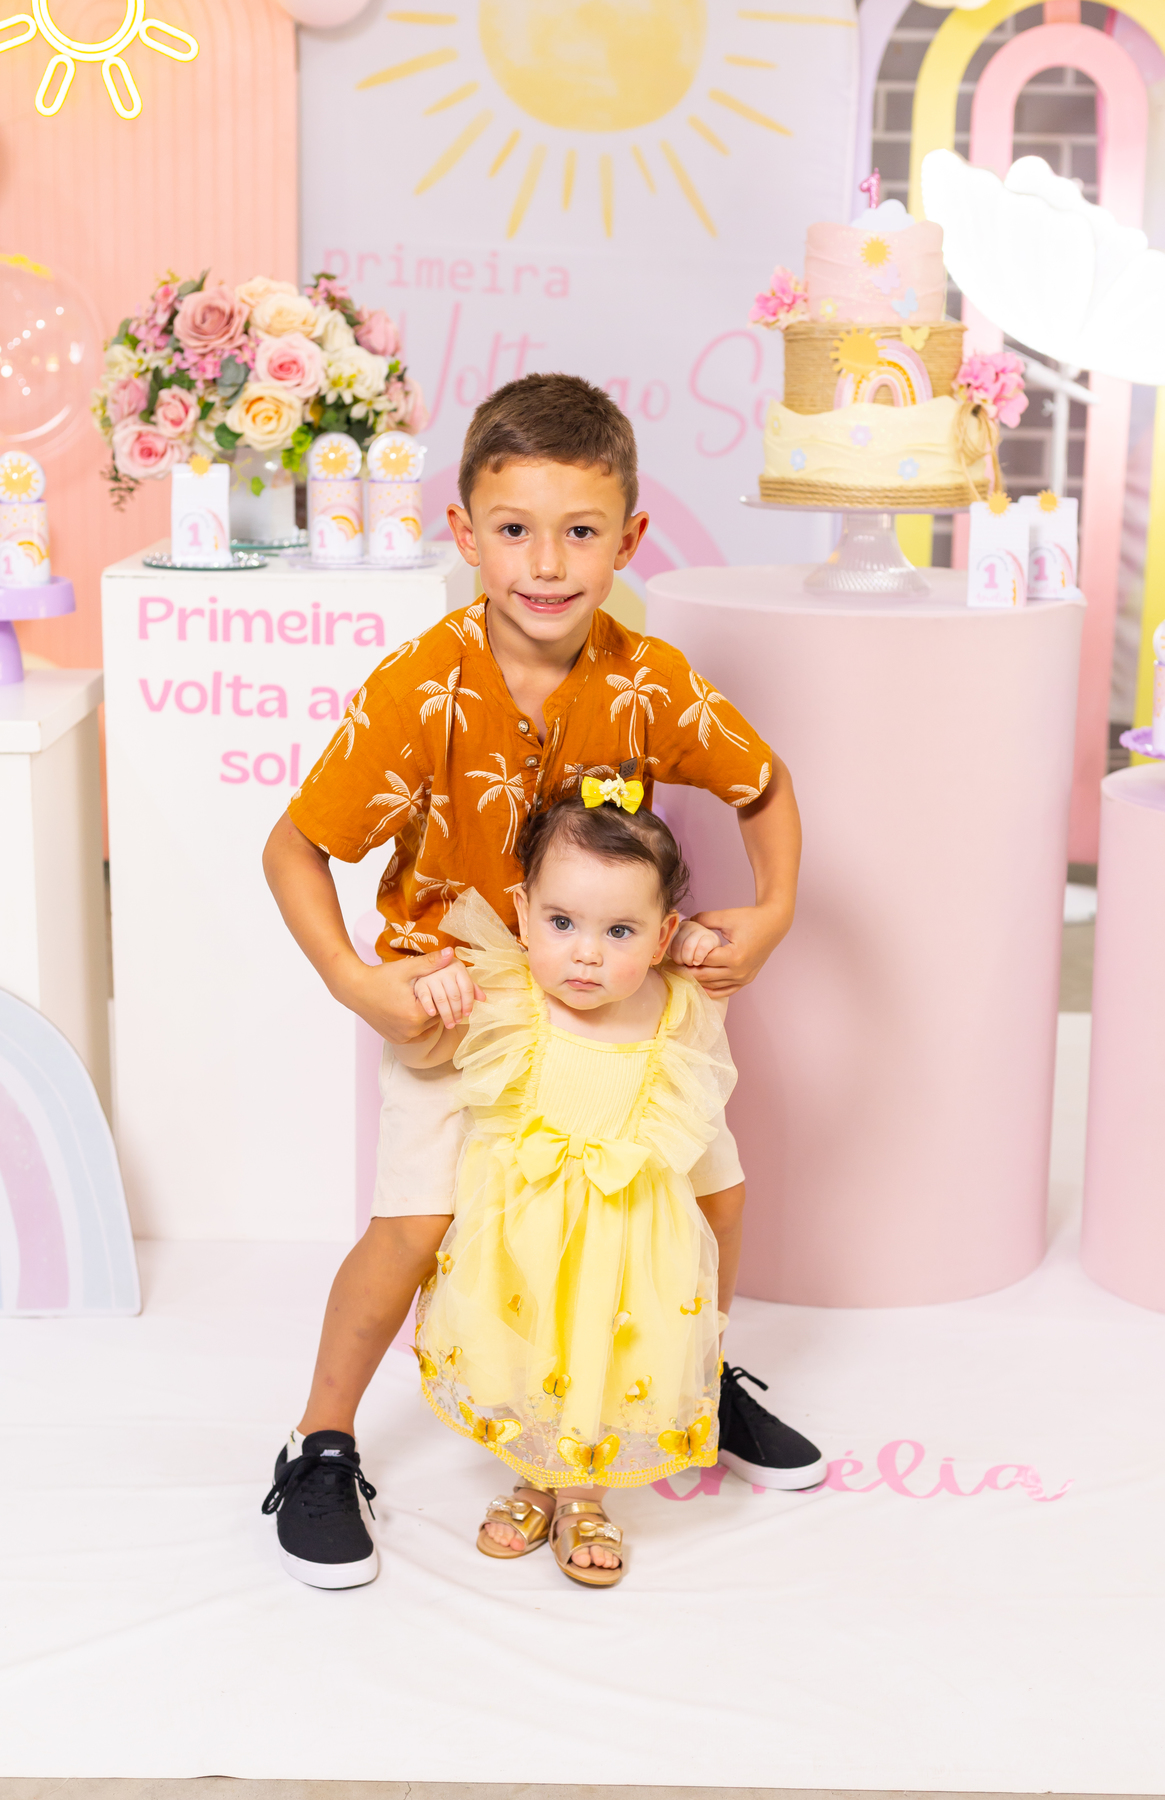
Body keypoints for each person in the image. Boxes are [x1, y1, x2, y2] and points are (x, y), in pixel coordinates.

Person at [260, 371, 824, 1590]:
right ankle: (320, 1442)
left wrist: (773, 913)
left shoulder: (650, 678)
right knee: (418, 1225)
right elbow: (294, 847)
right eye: (515, 529)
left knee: (709, 1194)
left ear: (629, 537)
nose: (548, 563)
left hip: (617, 1001)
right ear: (464, 532)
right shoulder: (420, 688)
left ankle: (689, 1375)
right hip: (462, 1014)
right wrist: (356, 980)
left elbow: (764, 784)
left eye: (581, 531)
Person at [409, 790, 735, 1586]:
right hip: (524, 1236)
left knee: (601, 1362)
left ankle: (583, 1496)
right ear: (522, 916)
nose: (585, 955)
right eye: (562, 923)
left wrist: (700, 949)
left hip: (625, 1242)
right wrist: (435, 997)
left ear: (662, 937)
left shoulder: (676, 1011)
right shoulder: (509, 997)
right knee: (526, 1357)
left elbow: (700, 1109)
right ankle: (532, 1480)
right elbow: (420, 1057)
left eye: (619, 932)